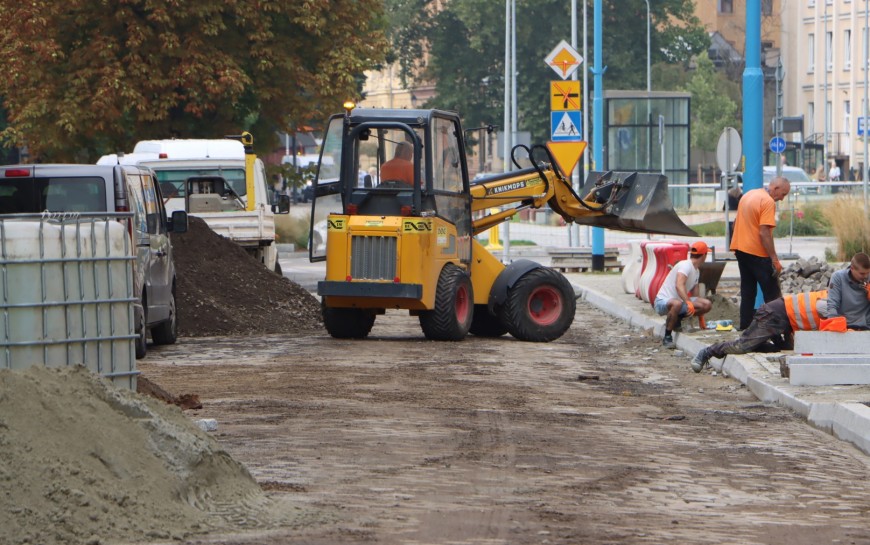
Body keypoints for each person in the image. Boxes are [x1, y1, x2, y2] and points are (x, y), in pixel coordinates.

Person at [691, 289, 830, 372]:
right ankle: (709, 351)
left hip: (785, 322)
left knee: (786, 348)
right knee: (742, 346)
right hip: (773, 315)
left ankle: (755, 342)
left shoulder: (832, 297)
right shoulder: (828, 303)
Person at [730, 176, 791, 330]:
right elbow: (764, 233)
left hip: (740, 249)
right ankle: (778, 331)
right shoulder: (768, 202)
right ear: (776, 188)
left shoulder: (749, 195)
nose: (782, 199)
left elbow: (736, 223)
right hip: (757, 252)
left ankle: (745, 327)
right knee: (772, 294)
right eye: (783, 194)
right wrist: (775, 260)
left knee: (748, 291)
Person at [653, 241, 714, 349]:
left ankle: (677, 319)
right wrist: (688, 302)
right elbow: (679, 285)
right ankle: (667, 336)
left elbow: (696, 296)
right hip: (662, 301)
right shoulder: (685, 265)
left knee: (706, 304)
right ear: (704, 255)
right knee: (677, 304)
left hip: (679, 302)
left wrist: (701, 317)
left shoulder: (696, 271)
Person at [827, 252, 870, 330]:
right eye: (862, 274)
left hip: (867, 325)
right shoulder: (838, 277)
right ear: (852, 268)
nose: (866, 276)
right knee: (820, 306)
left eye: (868, 273)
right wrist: (835, 327)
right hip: (845, 325)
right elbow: (832, 305)